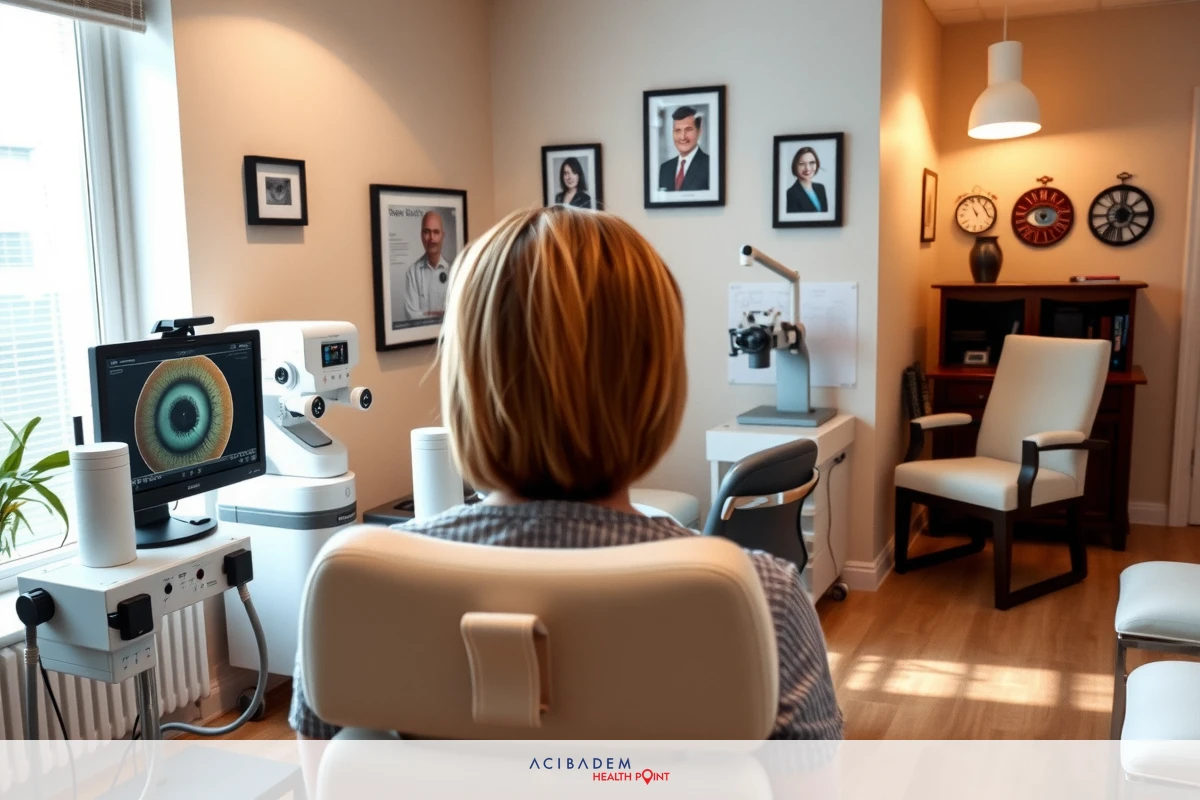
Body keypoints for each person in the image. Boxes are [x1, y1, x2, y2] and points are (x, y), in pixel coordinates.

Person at [289, 206, 842, 766]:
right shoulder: (761, 602)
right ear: (658, 384)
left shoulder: (353, 590)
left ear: (466, 381)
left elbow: (326, 777)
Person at [402, 210, 451, 320]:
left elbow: (456, 313)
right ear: (421, 235)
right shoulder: (412, 273)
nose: (431, 238)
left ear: (443, 236)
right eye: (427, 232)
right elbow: (411, 316)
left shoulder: (453, 271)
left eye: (436, 232)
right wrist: (440, 315)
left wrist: (426, 315)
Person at [657, 105, 710, 192]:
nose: (682, 137)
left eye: (688, 130)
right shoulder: (665, 168)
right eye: (677, 130)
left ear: (699, 132)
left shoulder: (710, 165)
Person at [786, 147, 828, 213]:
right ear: (795, 166)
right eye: (802, 164)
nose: (807, 168)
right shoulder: (791, 193)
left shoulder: (821, 188)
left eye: (812, 163)